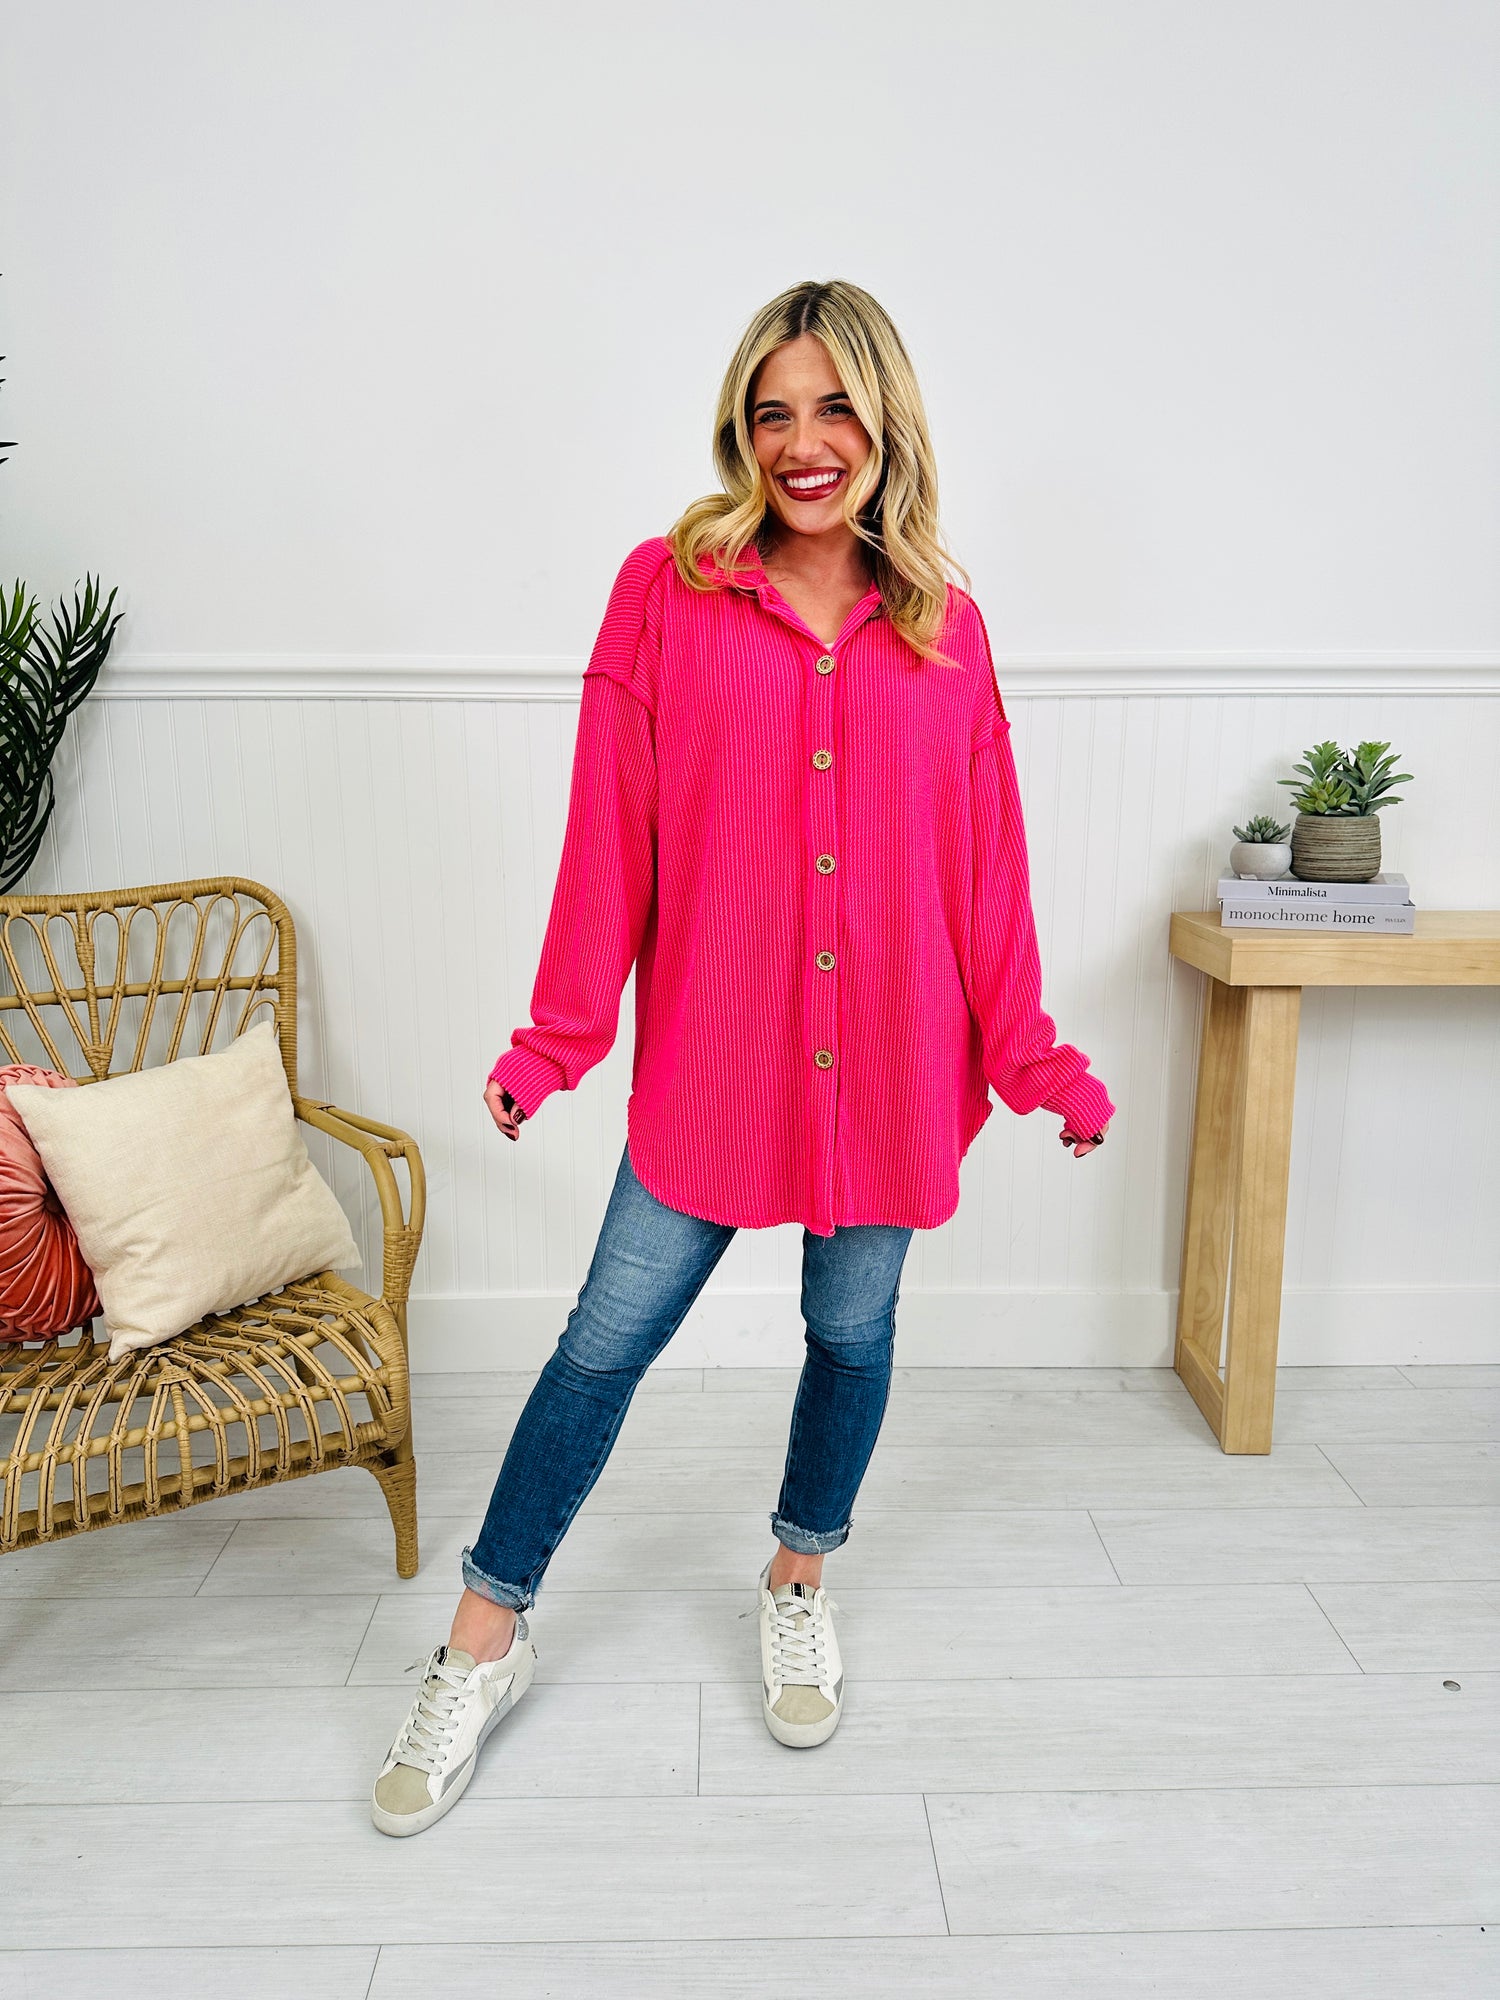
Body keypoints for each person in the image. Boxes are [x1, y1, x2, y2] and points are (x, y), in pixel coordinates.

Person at [370, 278, 1114, 1837]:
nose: (802, 442)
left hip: (893, 1060)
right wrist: (559, 1038)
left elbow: (986, 869)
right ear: (740, 434)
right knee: (602, 1342)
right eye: (773, 413)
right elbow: (611, 834)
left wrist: (1034, 1058)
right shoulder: (666, 593)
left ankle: (798, 1574)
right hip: (721, 1058)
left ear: (886, 424)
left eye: (835, 407)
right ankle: (483, 1638)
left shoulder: (947, 630)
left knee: (851, 1332)